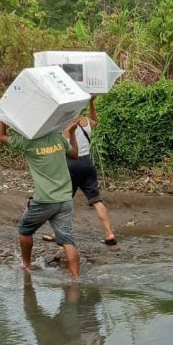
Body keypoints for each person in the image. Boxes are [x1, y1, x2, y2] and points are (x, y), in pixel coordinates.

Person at [0, 117, 82, 280]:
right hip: (65, 198)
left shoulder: (29, 142)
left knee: (25, 230)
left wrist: (3, 119)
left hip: (44, 200)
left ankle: (27, 266)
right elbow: (75, 154)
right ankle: (76, 278)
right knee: (67, 239)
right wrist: (71, 133)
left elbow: (1, 137)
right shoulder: (58, 138)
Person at [43, 97, 117, 246]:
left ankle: (59, 234)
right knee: (96, 199)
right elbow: (95, 121)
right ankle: (109, 233)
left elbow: (65, 147)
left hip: (71, 164)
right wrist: (92, 103)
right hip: (88, 163)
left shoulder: (64, 125)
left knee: (63, 200)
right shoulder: (86, 122)